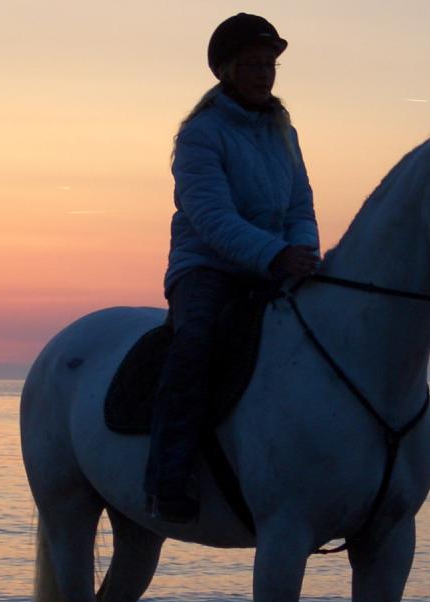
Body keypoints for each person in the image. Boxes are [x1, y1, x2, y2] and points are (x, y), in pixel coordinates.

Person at [145, 13, 321, 523]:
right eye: (253, 64)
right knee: (195, 340)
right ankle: (169, 477)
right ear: (225, 70)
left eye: (271, 64)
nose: (265, 74)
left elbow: (300, 207)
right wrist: (273, 254)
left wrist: (304, 253)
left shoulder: (284, 132)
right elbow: (212, 217)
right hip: (207, 268)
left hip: (276, 264)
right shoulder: (202, 134)